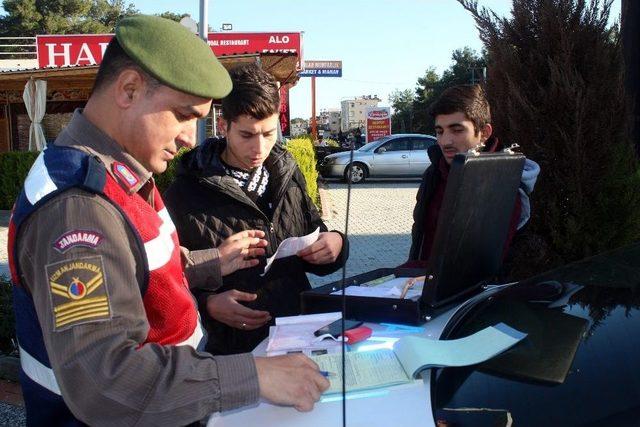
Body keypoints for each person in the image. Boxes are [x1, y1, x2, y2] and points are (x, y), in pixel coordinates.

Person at [8, 15, 328, 426]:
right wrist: (253, 375)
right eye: (182, 115)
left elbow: (131, 268)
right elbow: (106, 382)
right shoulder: (78, 210)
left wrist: (212, 261)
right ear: (128, 89)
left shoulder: (118, 170)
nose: (189, 138)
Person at [163, 63, 348, 355]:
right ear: (224, 126)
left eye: (269, 133)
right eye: (247, 135)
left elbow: (315, 233)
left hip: (296, 337)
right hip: (230, 353)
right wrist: (207, 304)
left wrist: (336, 243)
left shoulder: (287, 172)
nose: (259, 148)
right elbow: (162, 280)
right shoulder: (185, 191)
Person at [404, 84, 540, 268]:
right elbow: (423, 236)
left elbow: (481, 264)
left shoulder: (503, 182)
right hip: (416, 288)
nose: (445, 141)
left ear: (484, 133)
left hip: (471, 294)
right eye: (439, 131)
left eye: (457, 130)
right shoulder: (434, 172)